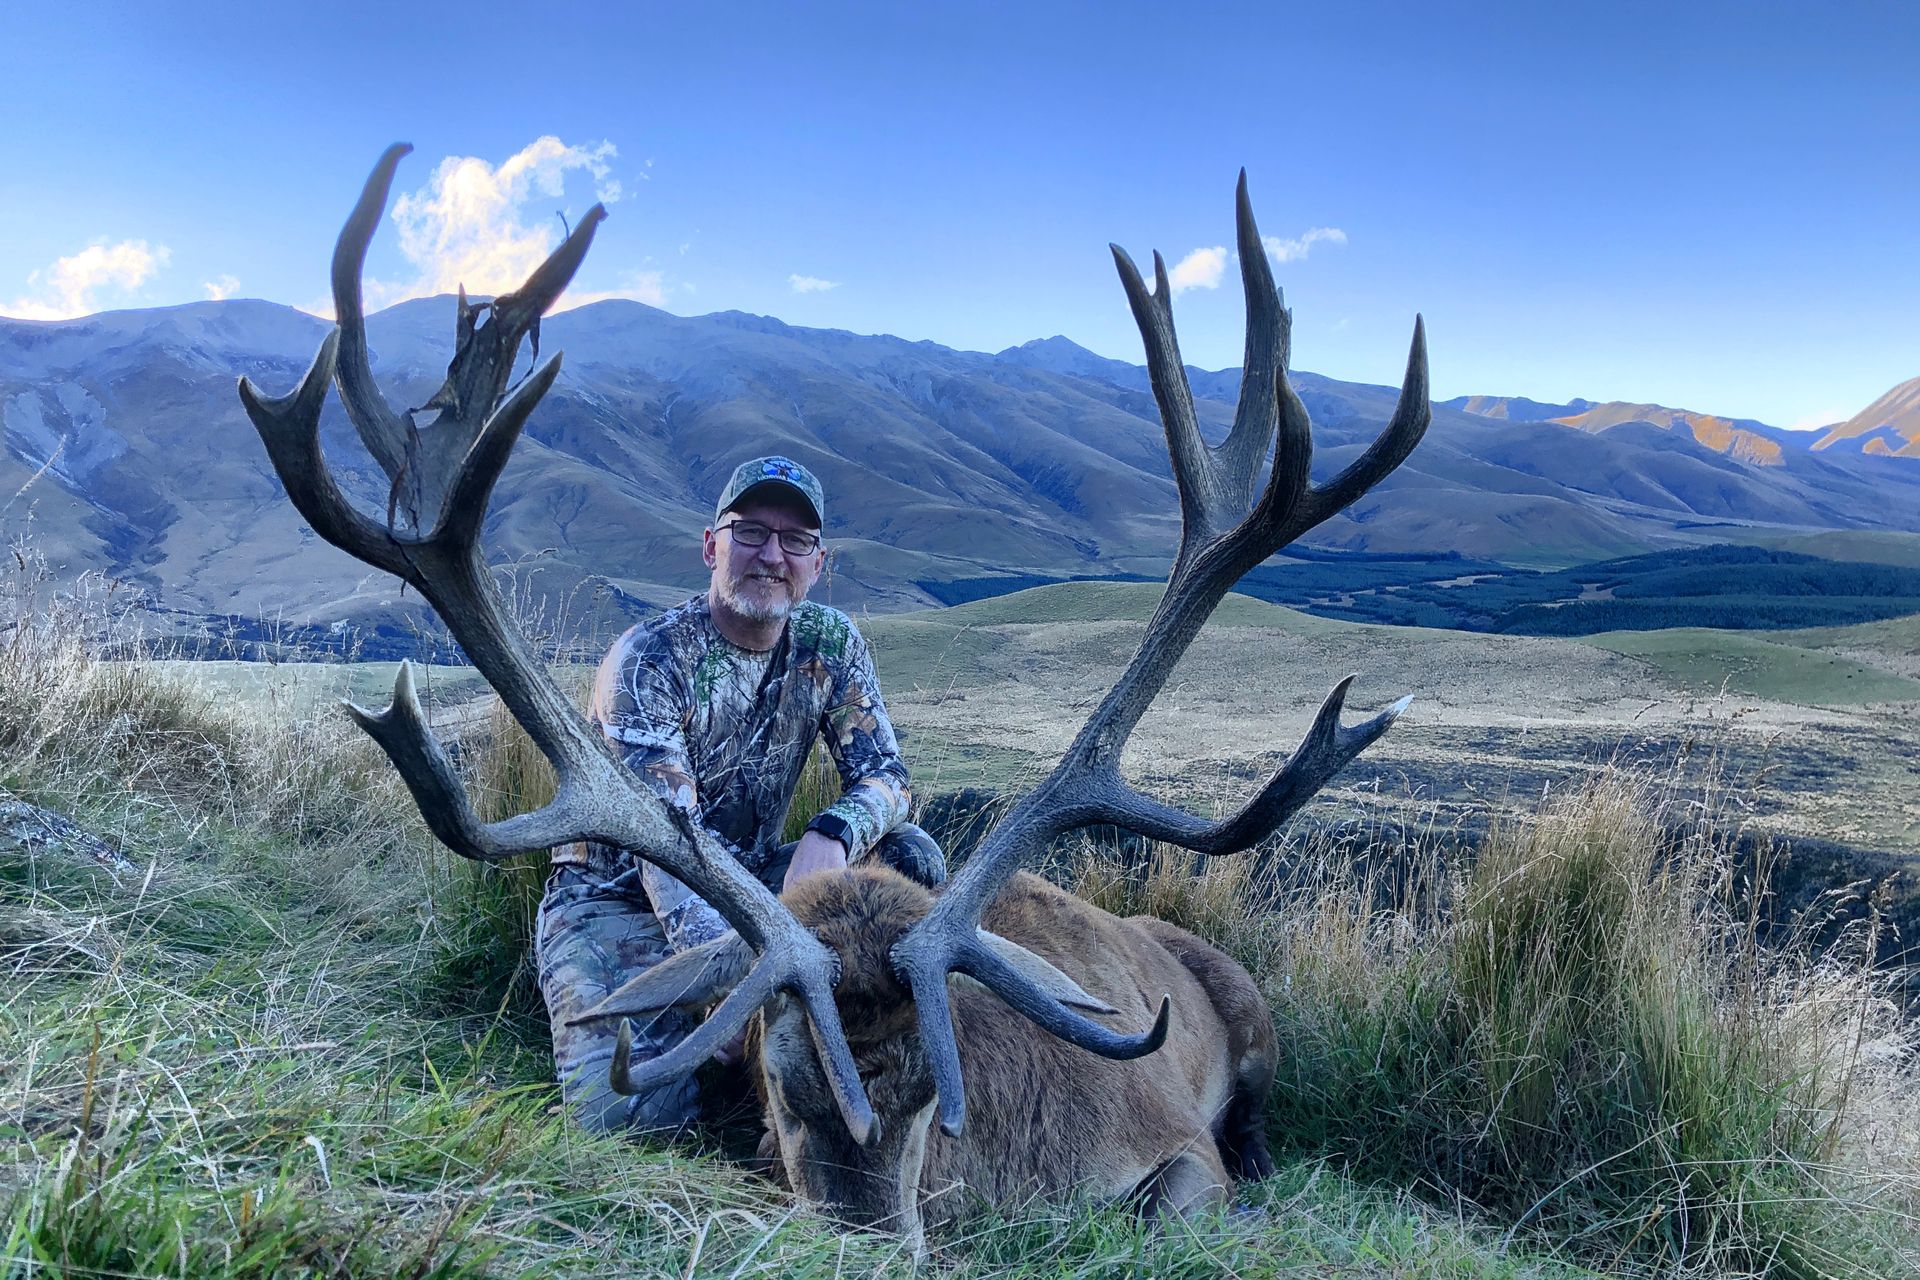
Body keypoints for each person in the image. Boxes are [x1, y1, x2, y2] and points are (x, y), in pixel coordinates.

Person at [535, 455, 947, 1133]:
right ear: (712, 546)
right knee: (628, 1120)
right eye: (751, 533)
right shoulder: (647, 660)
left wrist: (836, 830)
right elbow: (666, 846)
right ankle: (601, 994)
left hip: (752, 883)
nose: (771, 557)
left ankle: (862, 1041)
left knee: (910, 857)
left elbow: (889, 781)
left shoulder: (830, 643)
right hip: (616, 900)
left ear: (819, 563)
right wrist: (733, 992)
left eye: (796, 541)